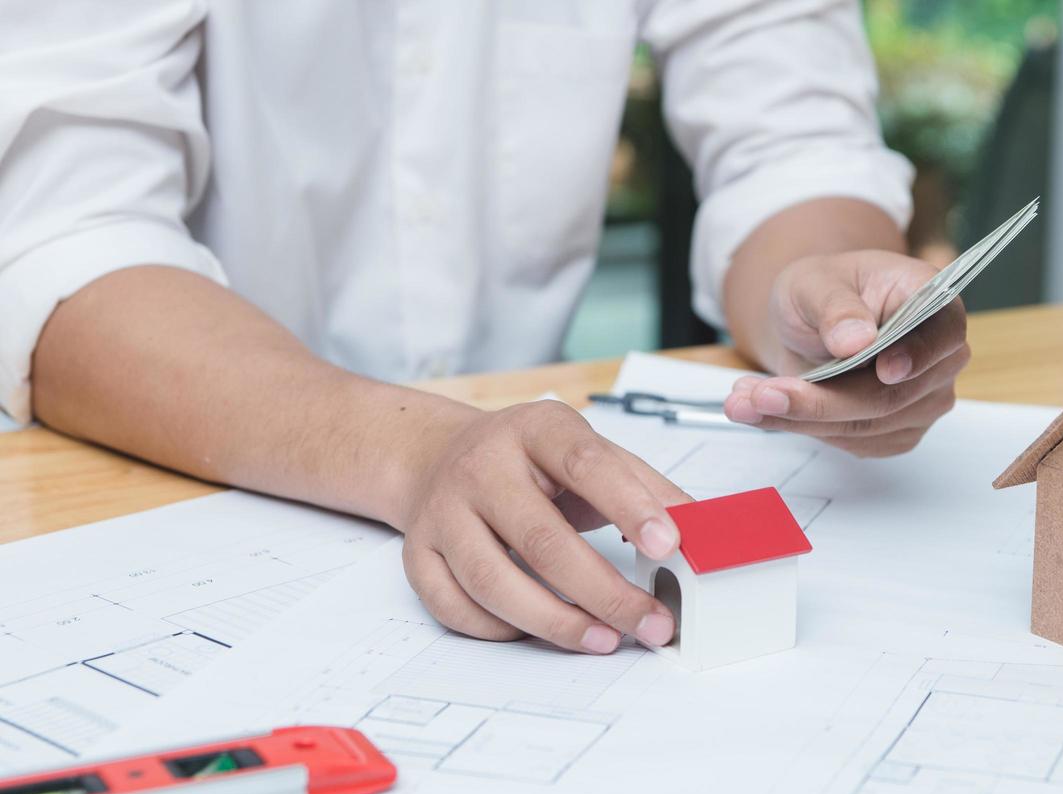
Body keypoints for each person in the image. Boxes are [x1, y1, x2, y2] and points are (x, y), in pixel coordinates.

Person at [0, 1, 970, 655]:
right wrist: (414, 450)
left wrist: (827, 295)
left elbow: (792, 137)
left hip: (542, 484)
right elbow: (65, 241)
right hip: (167, 486)